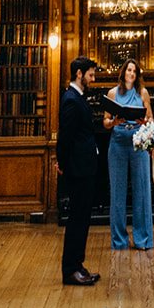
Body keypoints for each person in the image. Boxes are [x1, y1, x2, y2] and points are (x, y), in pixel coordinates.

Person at [56, 56, 101, 286]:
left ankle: (78, 264)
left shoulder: (78, 97)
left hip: (85, 167)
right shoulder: (71, 99)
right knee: (76, 219)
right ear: (79, 74)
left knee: (83, 219)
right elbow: (65, 136)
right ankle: (70, 270)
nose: (93, 79)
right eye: (90, 75)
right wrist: (61, 163)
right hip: (77, 168)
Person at [103, 57, 153, 250]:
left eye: (135, 71)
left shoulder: (143, 93)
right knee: (117, 192)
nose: (131, 73)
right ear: (123, 72)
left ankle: (143, 240)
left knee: (141, 190)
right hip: (117, 144)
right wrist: (114, 122)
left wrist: (145, 121)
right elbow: (105, 122)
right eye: (129, 70)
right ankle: (119, 240)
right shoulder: (112, 93)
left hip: (138, 144)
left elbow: (150, 118)